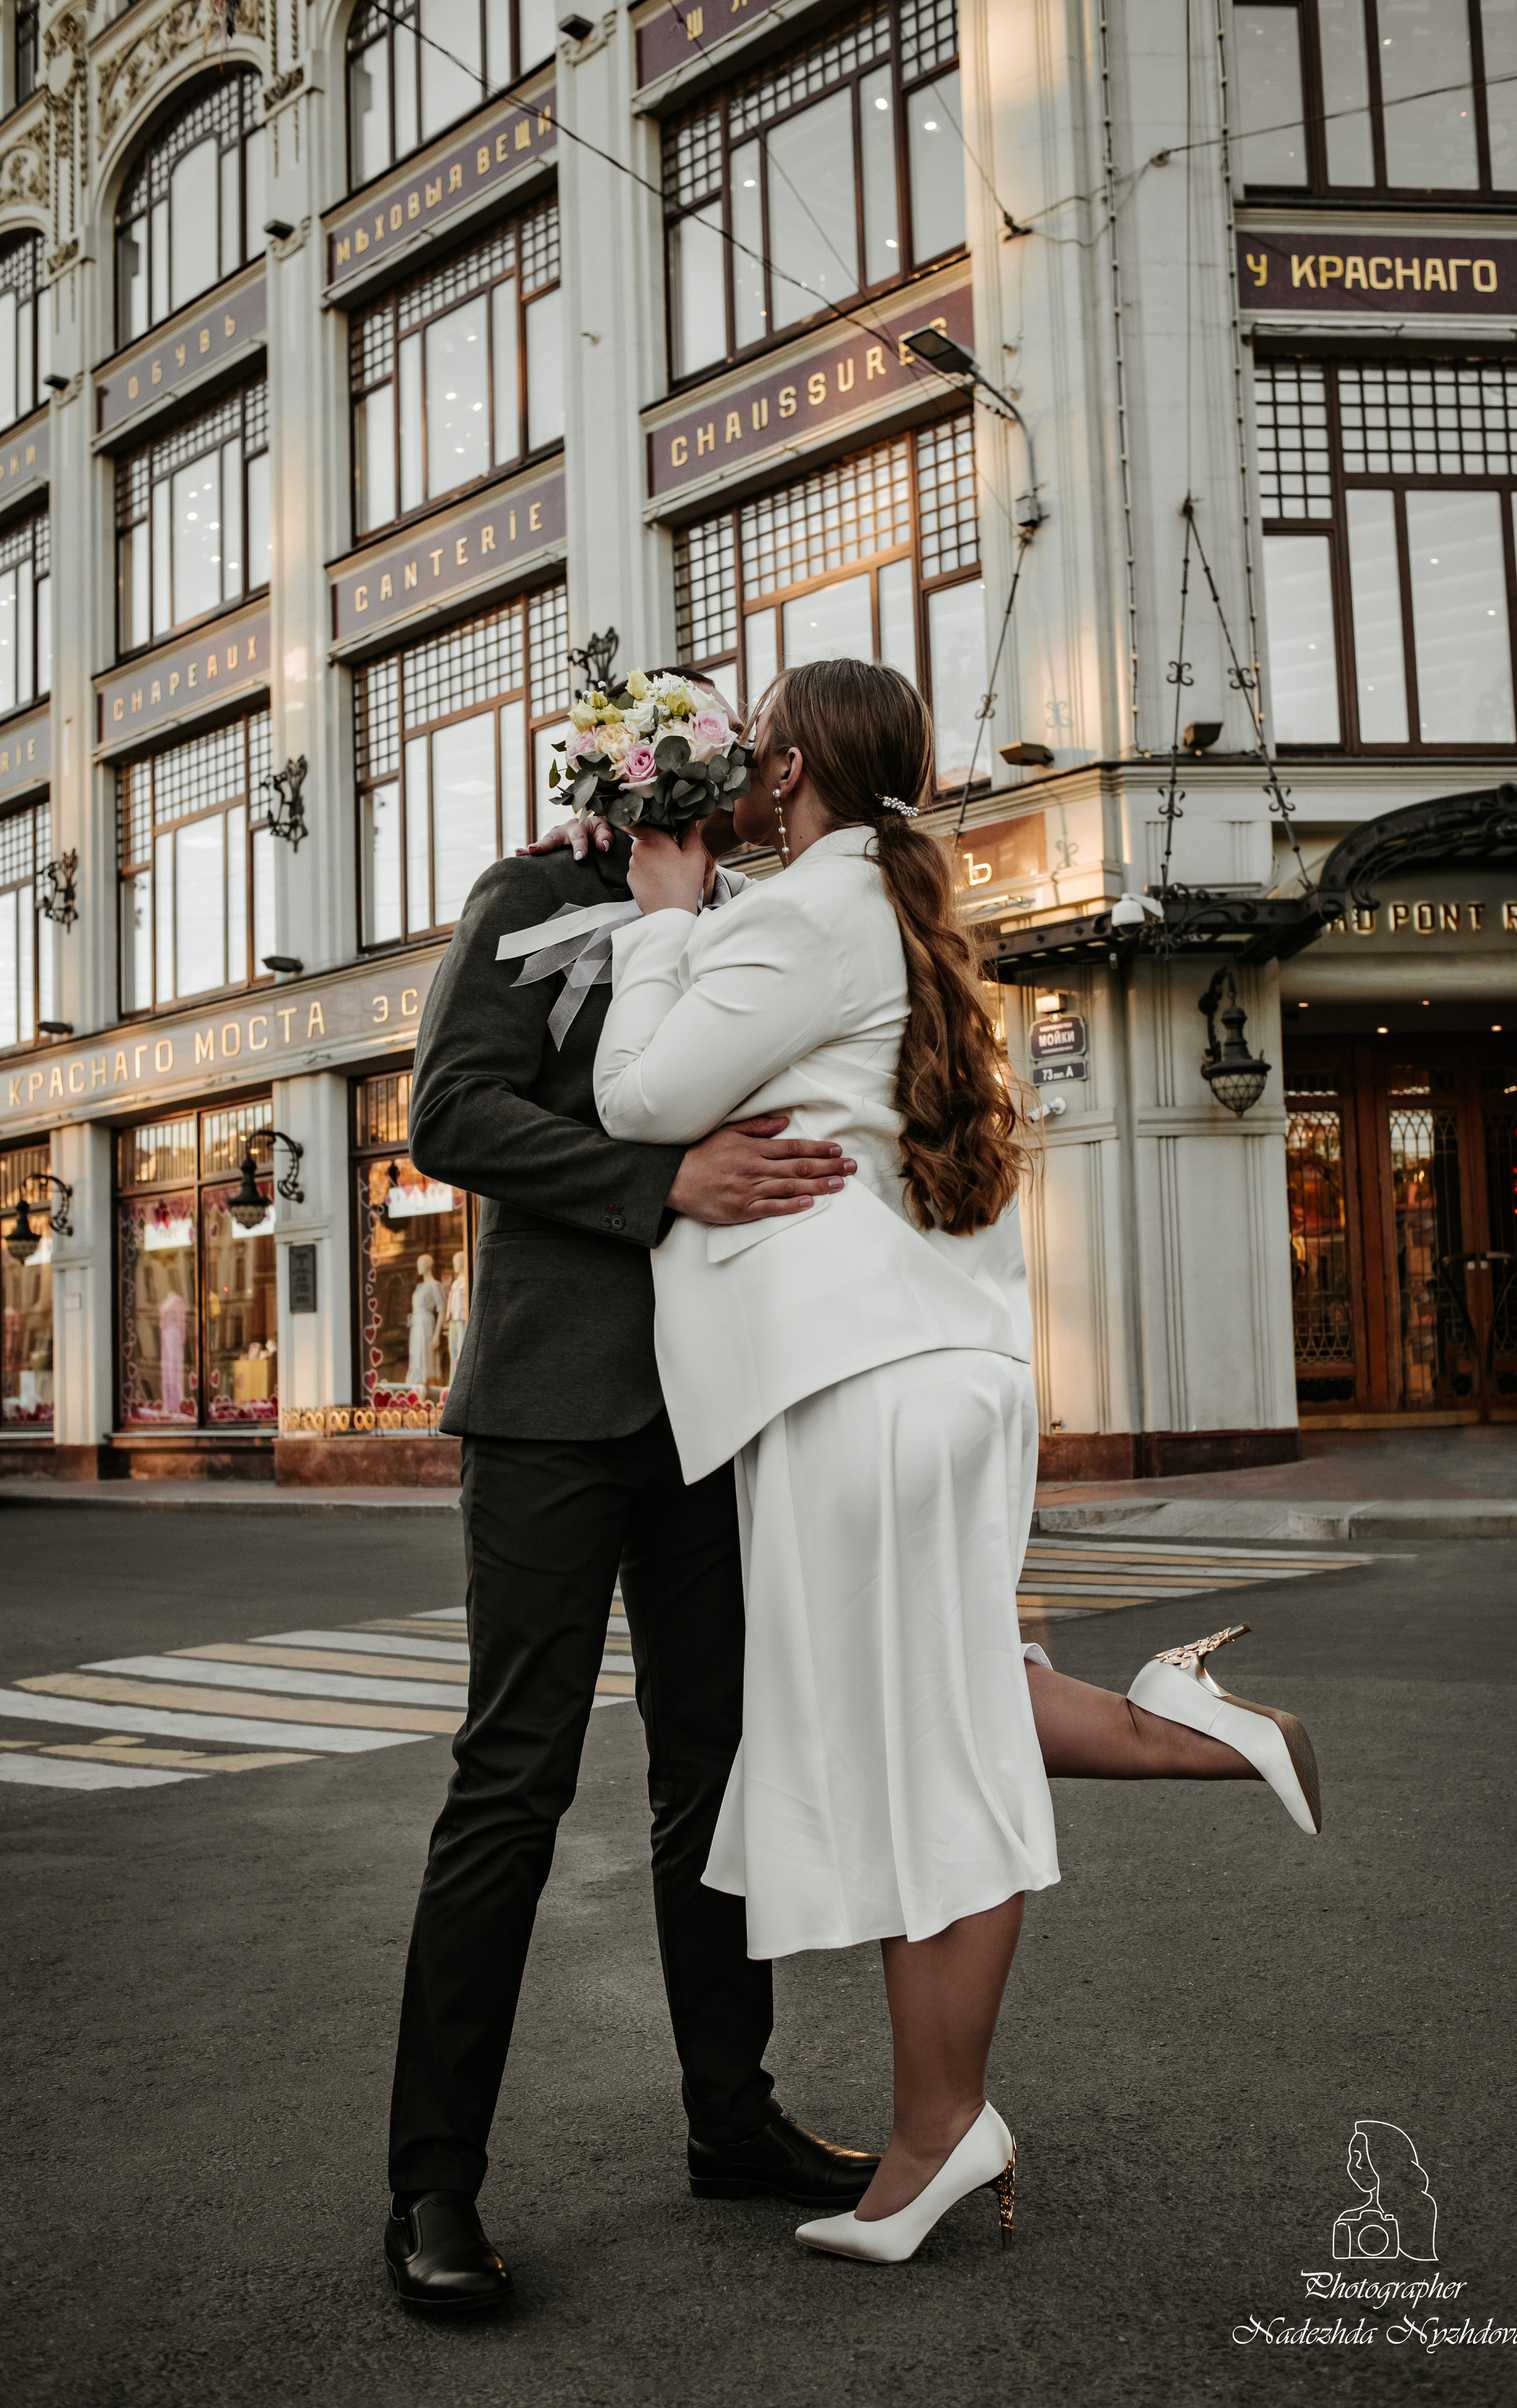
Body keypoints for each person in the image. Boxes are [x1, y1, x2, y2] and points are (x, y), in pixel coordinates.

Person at [590, 658, 1321, 2265]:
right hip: (935, 1374)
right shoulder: (900, 916)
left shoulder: (802, 914)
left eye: (750, 764)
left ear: (782, 775)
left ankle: (940, 2128)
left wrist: (658, 915)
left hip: (860, 1388)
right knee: (928, 1725)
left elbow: (638, 1093)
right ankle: (945, 2109)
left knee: (927, 1760)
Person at [383, 675, 879, 2314]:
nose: (746, 781)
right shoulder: (532, 895)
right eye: (722, 758)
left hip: (713, 1404)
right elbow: (447, 1114)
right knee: (510, 1782)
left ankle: (730, 2123)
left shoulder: (755, 920)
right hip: (546, 1404)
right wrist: (656, 1179)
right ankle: (432, 2190)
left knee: (711, 1778)